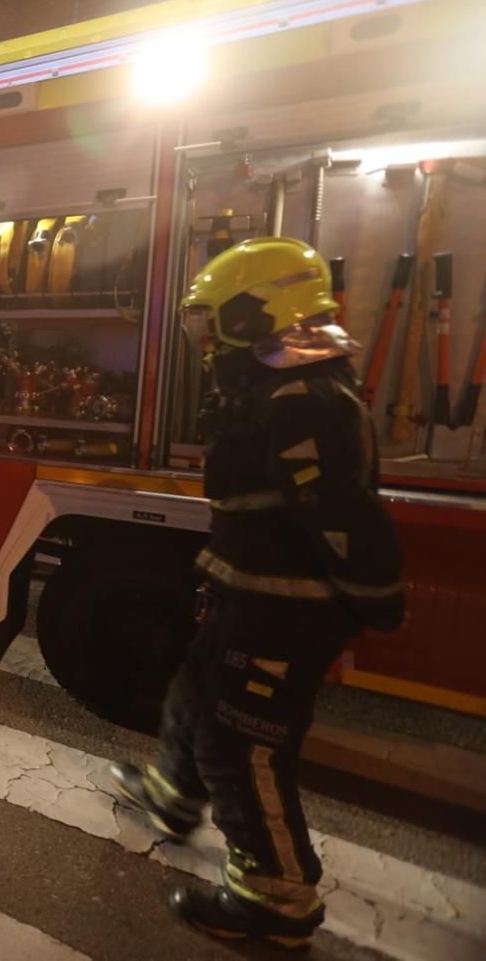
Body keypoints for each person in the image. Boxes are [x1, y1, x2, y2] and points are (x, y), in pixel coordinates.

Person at [110, 237, 405, 948]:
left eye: (216, 323)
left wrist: (376, 594)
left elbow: (340, 513)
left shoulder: (302, 399)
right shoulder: (287, 390)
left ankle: (275, 898)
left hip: (286, 612)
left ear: (254, 317)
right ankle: (174, 796)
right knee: (193, 691)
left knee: (244, 747)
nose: (209, 343)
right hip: (254, 597)